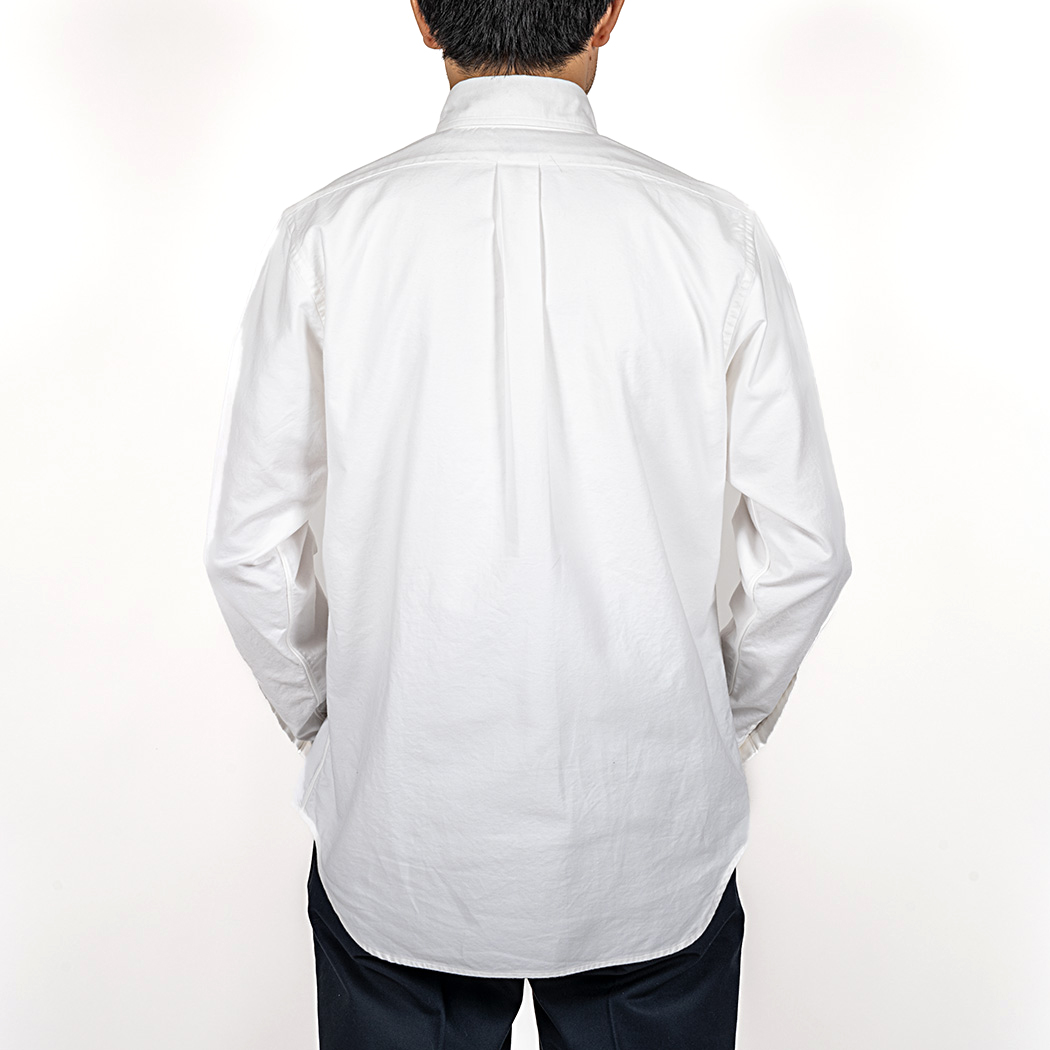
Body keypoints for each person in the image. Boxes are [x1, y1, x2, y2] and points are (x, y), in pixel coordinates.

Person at [202, 1, 853, 1046]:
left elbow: (250, 552)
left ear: (422, 18)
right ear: (610, 13)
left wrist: (337, 720)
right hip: (648, 837)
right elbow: (805, 551)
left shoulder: (328, 234)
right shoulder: (712, 237)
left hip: (402, 837)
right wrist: (710, 720)